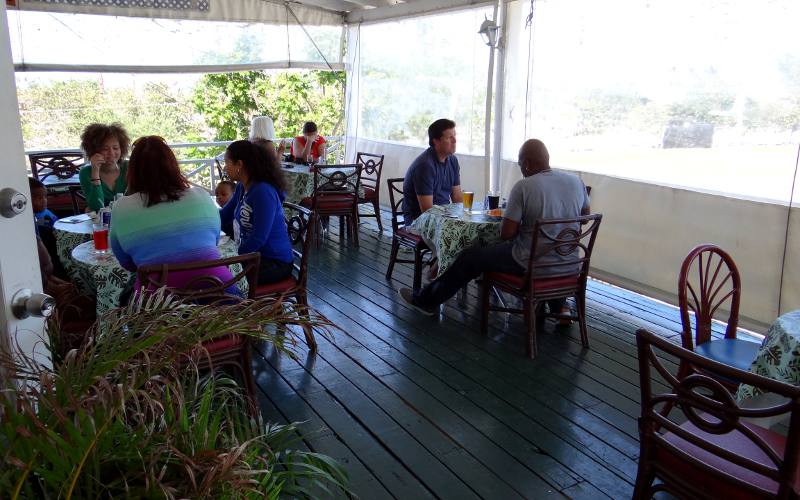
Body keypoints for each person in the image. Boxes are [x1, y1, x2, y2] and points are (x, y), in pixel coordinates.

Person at [399, 139, 590, 317]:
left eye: (520, 163)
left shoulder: (524, 187)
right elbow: (585, 217)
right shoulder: (576, 181)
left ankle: (425, 301)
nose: (521, 168)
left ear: (527, 163)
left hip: (529, 263)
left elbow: (506, 234)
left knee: (471, 257)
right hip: (568, 263)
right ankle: (560, 308)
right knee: (546, 251)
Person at [109, 136, 233, 292]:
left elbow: (127, 264)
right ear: (173, 165)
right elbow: (212, 242)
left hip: (160, 306)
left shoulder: (121, 208)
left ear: (132, 170)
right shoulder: (201, 196)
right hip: (221, 294)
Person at [219, 140, 294, 285]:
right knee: (217, 274)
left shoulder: (263, 191)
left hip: (274, 262)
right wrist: (202, 223)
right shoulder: (242, 187)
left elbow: (259, 238)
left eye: (227, 162)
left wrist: (235, 257)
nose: (224, 167)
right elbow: (224, 216)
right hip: (255, 255)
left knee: (222, 279)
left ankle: (239, 307)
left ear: (239, 165)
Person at [402, 118, 463, 223]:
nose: (455, 141)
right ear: (436, 141)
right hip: (419, 220)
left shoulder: (452, 160)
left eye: (455, 136)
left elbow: (457, 197)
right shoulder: (425, 166)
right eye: (449, 137)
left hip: (445, 215)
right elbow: (427, 211)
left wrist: (464, 216)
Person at [78, 122, 131, 212]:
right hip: (102, 223)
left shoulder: (129, 167)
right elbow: (97, 207)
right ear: (93, 150)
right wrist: (95, 171)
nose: (111, 153)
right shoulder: (86, 172)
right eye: (105, 149)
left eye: (115, 148)